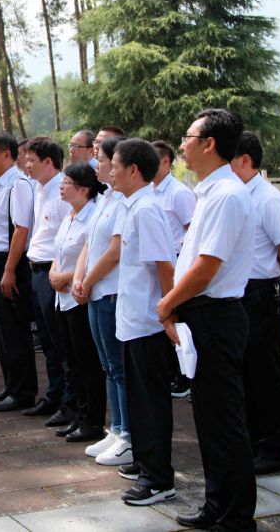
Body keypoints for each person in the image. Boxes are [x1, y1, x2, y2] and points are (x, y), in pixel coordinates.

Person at [156, 108, 257, 529]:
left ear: (210, 143)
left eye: (188, 137)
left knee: (225, 421)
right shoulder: (210, 193)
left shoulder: (227, 195)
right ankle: (218, 506)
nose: (182, 145)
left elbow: (206, 267)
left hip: (216, 315)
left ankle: (235, 516)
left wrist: (167, 303)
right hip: (203, 314)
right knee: (210, 420)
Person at [109, 139, 177, 506]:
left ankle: (158, 478)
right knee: (140, 401)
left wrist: (168, 313)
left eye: (115, 166)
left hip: (149, 322)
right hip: (133, 320)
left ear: (133, 170)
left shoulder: (147, 210)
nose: (111, 172)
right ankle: (146, 462)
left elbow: (164, 265)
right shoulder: (132, 206)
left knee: (151, 403)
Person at [230, 132, 280, 476]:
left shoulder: (267, 199)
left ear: (245, 160)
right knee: (245, 371)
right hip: (240, 293)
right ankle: (254, 440)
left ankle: (273, 448)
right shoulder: (236, 196)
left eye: (229, 159)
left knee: (265, 372)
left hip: (262, 294)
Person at [73, 136, 130, 460]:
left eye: (103, 160)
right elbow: (89, 243)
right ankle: (116, 429)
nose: (97, 164)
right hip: (95, 291)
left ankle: (127, 435)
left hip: (110, 291)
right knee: (108, 366)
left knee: (119, 368)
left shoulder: (123, 201)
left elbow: (114, 252)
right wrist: (79, 278)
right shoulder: (104, 198)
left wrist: (88, 280)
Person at [0, 132, 38, 412]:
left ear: (7, 154)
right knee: (1, 329)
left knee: (14, 329)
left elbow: (21, 230)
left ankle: (23, 390)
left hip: (7, 262)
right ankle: (11, 385)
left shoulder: (18, 185)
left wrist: (9, 269)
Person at [50, 163, 106, 443]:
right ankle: (78, 415)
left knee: (87, 364)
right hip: (62, 297)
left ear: (84, 189)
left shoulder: (93, 216)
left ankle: (92, 421)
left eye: (67, 182)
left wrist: (67, 276)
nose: (61, 187)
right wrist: (54, 273)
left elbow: (94, 257)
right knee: (71, 361)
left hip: (79, 297)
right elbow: (59, 250)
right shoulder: (69, 216)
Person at [22, 137, 73, 420]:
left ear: (49, 162)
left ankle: (69, 401)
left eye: (32, 160)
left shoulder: (63, 190)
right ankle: (54, 395)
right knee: (48, 341)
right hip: (37, 269)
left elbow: (70, 238)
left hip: (53, 272)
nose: (26, 165)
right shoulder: (40, 189)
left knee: (59, 340)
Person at [151, 139, 197, 399]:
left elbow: (192, 230)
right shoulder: (150, 191)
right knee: (163, 316)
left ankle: (184, 375)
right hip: (159, 261)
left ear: (166, 162)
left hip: (177, 261)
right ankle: (172, 371)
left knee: (178, 317)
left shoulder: (178, 192)